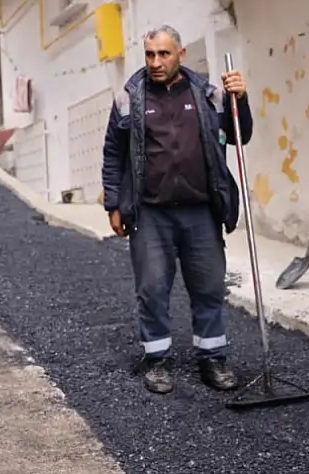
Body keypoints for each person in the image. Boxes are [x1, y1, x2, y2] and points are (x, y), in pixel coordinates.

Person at [101, 25, 252, 395]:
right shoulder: (128, 99)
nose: (155, 62)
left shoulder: (209, 94)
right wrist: (113, 202)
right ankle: (157, 360)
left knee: (209, 286)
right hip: (151, 212)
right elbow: (112, 153)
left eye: (163, 54)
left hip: (201, 210)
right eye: (150, 54)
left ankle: (212, 359)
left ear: (180, 54)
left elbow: (240, 134)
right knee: (152, 288)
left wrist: (241, 99)